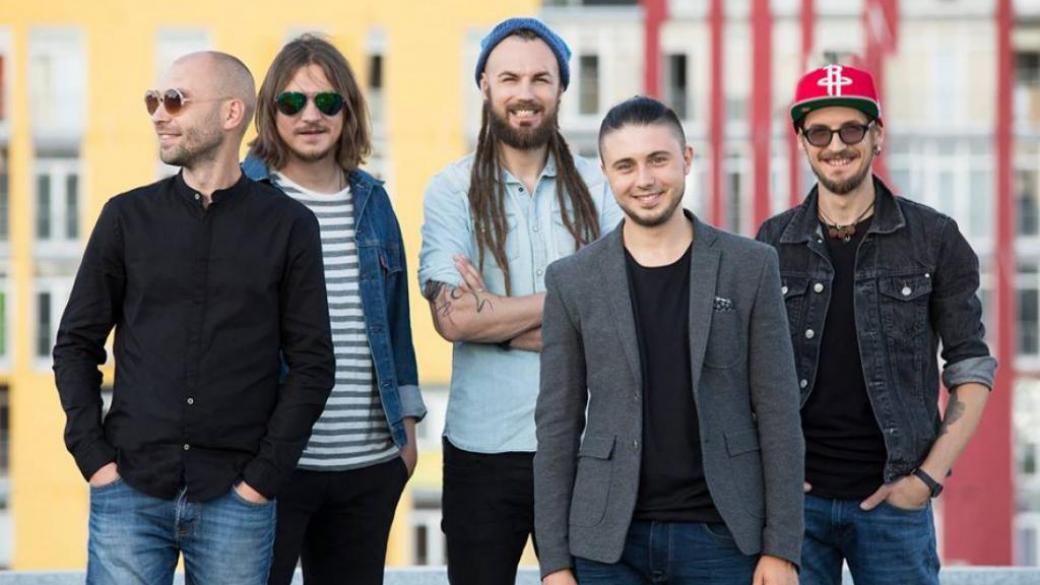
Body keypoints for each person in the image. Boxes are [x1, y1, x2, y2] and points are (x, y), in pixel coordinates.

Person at [52, 51, 335, 585]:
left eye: (176, 100)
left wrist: (262, 481)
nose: (160, 114)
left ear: (231, 113)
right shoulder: (125, 216)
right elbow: (75, 344)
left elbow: (313, 364)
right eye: (154, 101)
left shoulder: (289, 226)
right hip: (128, 490)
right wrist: (95, 461)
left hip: (237, 498)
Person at [535, 96, 803, 585]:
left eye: (657, 159)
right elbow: (557, 426)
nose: (644, 179)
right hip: (607, 544)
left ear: (686, 159)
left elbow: (780, 414)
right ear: (606, 174)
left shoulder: (750, 266)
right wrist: (553, 563)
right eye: (626, 166)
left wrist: (782, 547)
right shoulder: (572, 281)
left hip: (723, 537)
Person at [756, 63, 998, 585]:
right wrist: (768, 476)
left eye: (851, 130)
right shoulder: (771, 243)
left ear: (877, 136)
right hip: (797, 509)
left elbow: (971, 367)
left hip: (896, 503)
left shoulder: (933, 238)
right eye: (819, 132)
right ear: (801, 141)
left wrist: (925, 480)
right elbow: (744, 373)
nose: (835, 145)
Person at [417, 17, 622, 585]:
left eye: (540, 78)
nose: (524, 93)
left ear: (561, 88)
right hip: (483, 448)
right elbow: (455, 316)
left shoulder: (603, 187)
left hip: (589, 447)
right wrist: (574, 301)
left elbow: (623, 312)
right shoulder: (452, 189)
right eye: (509, 78)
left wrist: (500, 322)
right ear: (485, 84)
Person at [242, 34, 425, 585]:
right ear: (270, 112)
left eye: (326, 101)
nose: (310, 116)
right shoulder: (245, 201)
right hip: (272, 468)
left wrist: (406, 440)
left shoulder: (373, 201)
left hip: (369, 468)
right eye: (292, 102)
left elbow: (395, 322)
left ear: (348, 110)